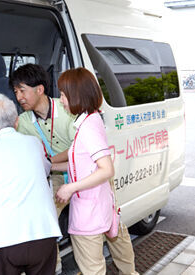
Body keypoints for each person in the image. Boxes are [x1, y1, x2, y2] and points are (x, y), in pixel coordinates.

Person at [0, 64, 76, 274]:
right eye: (16, 92)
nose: (20, 96)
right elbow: (44, 166)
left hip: (7, 241)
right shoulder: (33, 141)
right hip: (43, 236)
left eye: (22, 90)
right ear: (17, 120)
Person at [55, 67, 139, 275]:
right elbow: (82, 164)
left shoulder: (88, 128)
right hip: (95, 205)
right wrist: (51, 166)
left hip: (88, 213)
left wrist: (69, 187)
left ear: (76, 95)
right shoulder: (90, 120)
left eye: (64, 94)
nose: (61, 100)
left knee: (92, 269)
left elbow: (105, 169)